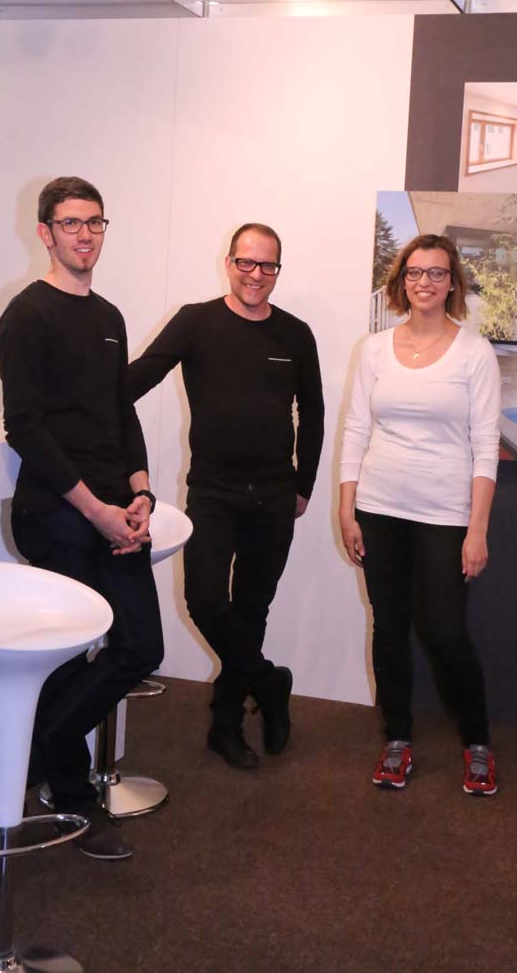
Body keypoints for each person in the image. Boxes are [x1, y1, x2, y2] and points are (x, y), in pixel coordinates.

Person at [0, 176, 164, 859]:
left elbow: (119, 411)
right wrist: (96, 511)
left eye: (95, 222)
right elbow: (25, 429)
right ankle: (70, 795)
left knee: (139, 648)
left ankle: (37, 750)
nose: (85, 235)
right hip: (58, 513)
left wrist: (142, 491)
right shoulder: (27, 316)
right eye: (71, 223)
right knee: (74, 655)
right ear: (46, 233)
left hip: (114, 509)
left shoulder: (109, 316)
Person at [128, 224, 324, 769]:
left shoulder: (295, 334)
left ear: (278, 270)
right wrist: (77, 400)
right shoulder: (196, 321)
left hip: (275, 495)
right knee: (206, 600)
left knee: (252, 609)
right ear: (229, 262)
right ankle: (269, 681)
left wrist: (304, 484)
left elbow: (313, 413)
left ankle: (225, 723)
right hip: (213, 490)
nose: (256, 275)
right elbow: (138, 378)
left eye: (268, 266)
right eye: (246, 263)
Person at [339, 234, 501, 796]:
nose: (424, 282)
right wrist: (347, 508)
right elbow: (356, 429)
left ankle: (477, 742)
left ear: (452, 282)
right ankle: (397, 738)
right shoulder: (374, 349)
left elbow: (485, 446)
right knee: (388, 627)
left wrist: (477, 529)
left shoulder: (474, 353)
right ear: (401, 281)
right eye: (414, 272)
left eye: (436, 273)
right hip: (379, 507)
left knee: (444, 632)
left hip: (444, 514)